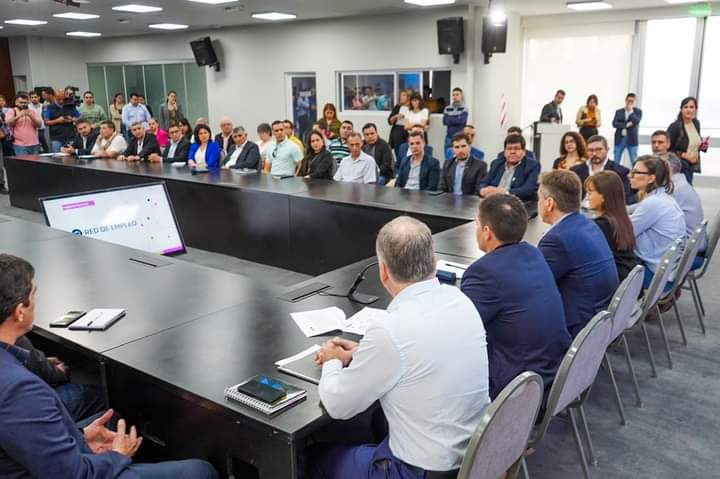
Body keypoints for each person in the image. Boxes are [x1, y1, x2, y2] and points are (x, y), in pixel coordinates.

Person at [0, 254, 219, 479]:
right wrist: (117, 456)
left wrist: (80, 437)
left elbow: (26, 437)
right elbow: (74, 475)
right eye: (34, 295)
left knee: (113, 418)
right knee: (200, 471)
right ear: (19, 312)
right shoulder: (20, 391)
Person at [311, 217, 490, 479]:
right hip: (473, 460)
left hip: (419, 471)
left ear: (383, 271)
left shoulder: (390, 330)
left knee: (315, 458)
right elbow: (425, 352)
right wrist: (364, 352)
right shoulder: (461, 301)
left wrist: (332, 360)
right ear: (433, 261)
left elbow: (338, 405)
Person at [461, 194, 571, 401]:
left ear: (487, 232)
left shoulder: (483, 272)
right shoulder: (534, 254)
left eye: (477, 224)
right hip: (553, 374)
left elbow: (460, 332)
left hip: (517, 390)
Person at [537, 170, 618, 337]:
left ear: (549, 203)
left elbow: (532, 285)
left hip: (578, 327)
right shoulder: (587, 224)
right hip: (599, 317)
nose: (539, 203)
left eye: (539, 199)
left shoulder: (557, 239)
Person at [629, 156, 686, 286]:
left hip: (654, 274)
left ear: (651, 178)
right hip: (666, 268)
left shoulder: (653, 203)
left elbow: (625, 235)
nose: (630, 175)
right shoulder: (663, 197)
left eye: (635, 172)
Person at [585, 172, 640, 283]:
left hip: (614, 283)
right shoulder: (622, 220)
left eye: (590, 193)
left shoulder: (602, 225)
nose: (587, 197)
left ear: (603, 196)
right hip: (627, 282)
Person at [570, 135, 635, 204]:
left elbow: (626, 197)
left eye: (598, 149)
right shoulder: (575, 171)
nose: (594, 153)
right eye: (590, 150)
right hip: (579, 207)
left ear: (607, 149)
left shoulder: (620, 171)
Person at [479, 134, 540, 201]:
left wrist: (504, 192)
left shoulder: (532, 165)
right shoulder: (496, 163)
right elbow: (484, 182)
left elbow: (528, 189)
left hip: (518, 203)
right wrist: (483, 190)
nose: (512, 152)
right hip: (493, 201)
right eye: (509, 148)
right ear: (504, 151)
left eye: (516, 148)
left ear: (524, 152)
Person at [666, 154, 705, 251]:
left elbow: (649, 209)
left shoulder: (674, 189)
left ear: (667, 169)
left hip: (688, 249)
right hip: (693, 242)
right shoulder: (681, 183)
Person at [667, 96, 705, 184]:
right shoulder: (675, 127)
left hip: (691, 166)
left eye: (691, 107)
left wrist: (702, 145)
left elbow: (693, 141)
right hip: (679, 167)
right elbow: (666, 149)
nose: (688, 110)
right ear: (681, 109)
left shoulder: (696, 123)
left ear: (695, 109)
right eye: (685, 107)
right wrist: (683, 155)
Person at [44, 87, 80, 152]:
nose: (61, 101)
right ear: (55, 97)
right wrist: (57, 121)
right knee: (57, 157)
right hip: (56, 138)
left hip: (70, 136)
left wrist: (72, 119)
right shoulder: (49, 107)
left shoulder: (70, 105)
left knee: (71, 155)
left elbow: (80, 117)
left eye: (63, 99)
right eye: (59, 99)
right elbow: (46, 122)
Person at [612, 93, 642, 167]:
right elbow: (614, 123)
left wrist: (631, 111)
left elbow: (636, 121)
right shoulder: (619, 111)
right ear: (625, 100)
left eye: (632, 101)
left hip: (632, 139)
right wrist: (626, 125)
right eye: (629, 101)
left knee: (634, 160)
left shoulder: (638, 111)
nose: (630, 102)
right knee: (616, 160)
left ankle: (635, 173)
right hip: (620, 139)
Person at [442, 87, 469, 160]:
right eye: (453, 95)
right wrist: (457, 118)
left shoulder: (464, 108)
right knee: (448, 159)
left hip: (460, 138)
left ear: (461, 96)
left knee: (460, 158)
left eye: (457, 94)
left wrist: (450, 119)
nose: (455, 96)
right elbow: (445, 121)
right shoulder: (447, 108)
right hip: (449, 137)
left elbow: (462, 121)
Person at [387, 89, 410, 160]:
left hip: (409, 129)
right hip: (398, 130)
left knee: (409, 151)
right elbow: (390, 121)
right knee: (399, 151)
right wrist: (396, 116)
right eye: (400, 96)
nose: (401, 97)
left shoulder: (413, 107)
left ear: (409, 97)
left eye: (403, 95)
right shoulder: (398, 107)